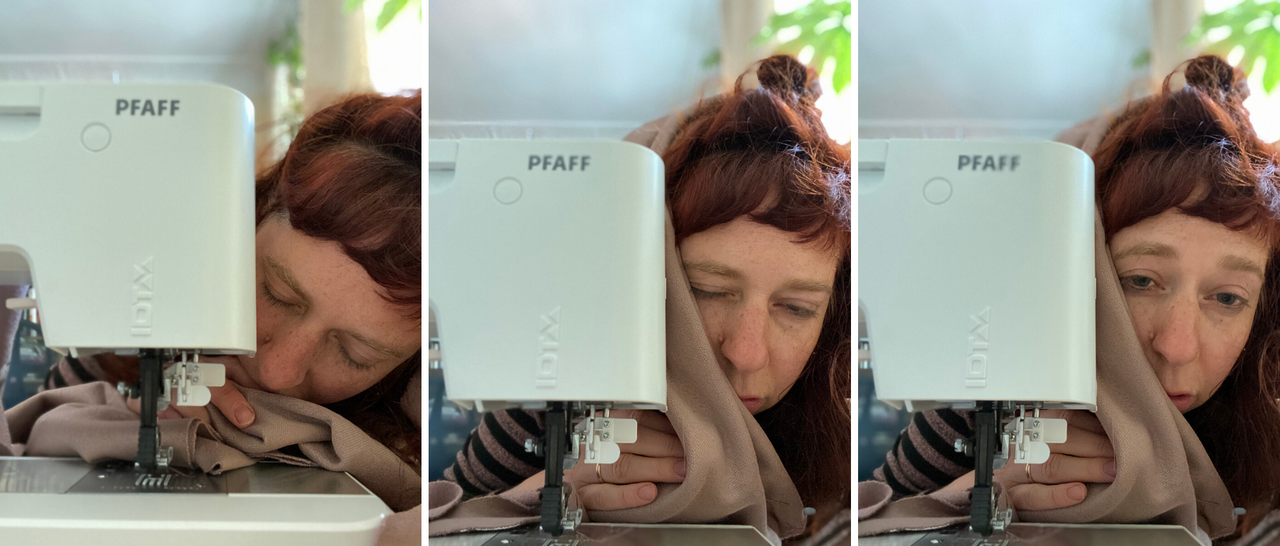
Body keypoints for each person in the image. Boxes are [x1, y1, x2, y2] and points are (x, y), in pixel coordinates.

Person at [441, 55, 852, 542]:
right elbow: (440, 522)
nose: (746, 352)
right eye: (707, 292)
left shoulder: (843, 420)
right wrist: (541, 497)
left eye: (796, 309)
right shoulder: (553, 387)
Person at [872, 55, 1280, 534]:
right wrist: (977, 492)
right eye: (1141, 281)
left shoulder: (1267, 405)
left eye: (1228, 298)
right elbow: (872, 518)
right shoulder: (979, 386)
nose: (1176, 345)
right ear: (1081, 269)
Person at [32, 91, 424, 469]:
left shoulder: (422, 409)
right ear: (253, 214)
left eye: (356, 355)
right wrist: (125, 415)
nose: (276, 371)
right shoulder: (137, 297)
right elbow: (35, 441)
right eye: (278, 294)